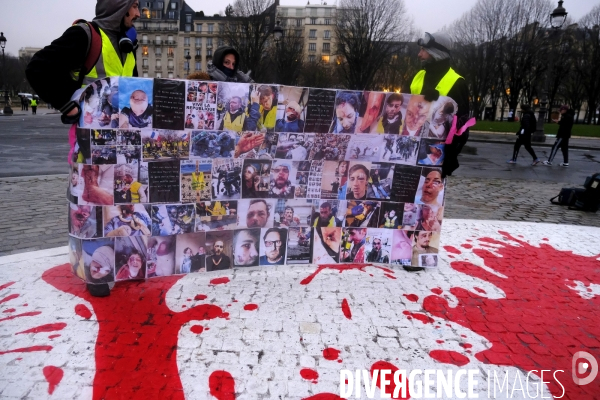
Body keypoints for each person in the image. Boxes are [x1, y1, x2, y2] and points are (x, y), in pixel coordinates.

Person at [26, 0, 141, 297]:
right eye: (135, 6)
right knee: (90, 205)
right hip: (91, 142)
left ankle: (123, 261)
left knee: (121, 201)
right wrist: (68, 103)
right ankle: (96, 274)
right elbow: (38, 67)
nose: (139, 13)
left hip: (121, 144)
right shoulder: (86, 36)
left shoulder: (127, 45)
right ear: (119, 8)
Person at [411, 31, 471, 177]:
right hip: (411, 152)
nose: (419, 54)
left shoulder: (457, 82)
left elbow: (461, 126)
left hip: (436, 156)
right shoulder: (419, 76)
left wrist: (450, 157)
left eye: (423, 50)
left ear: (436, 53)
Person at [187, 46, 253, 83]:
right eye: (227, 62)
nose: (231, 67)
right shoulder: (202, 82)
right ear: (218, 62)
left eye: (233, 64)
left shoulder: (242, 82)